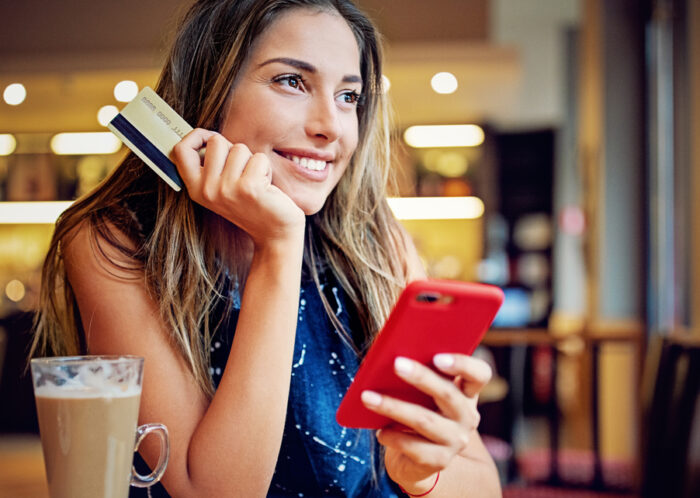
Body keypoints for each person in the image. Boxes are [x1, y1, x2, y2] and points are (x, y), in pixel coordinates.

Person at [31, 0, 501, 496]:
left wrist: (422, 476)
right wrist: (279, 245)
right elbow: (212, 490)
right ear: (209, 89)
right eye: (291, 82)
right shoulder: (115, 240)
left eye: (348, 96)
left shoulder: (376, 243)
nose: (331, 126)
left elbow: (484, 483)